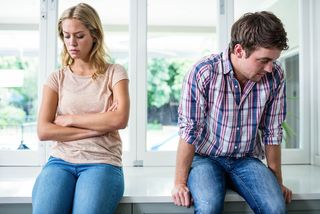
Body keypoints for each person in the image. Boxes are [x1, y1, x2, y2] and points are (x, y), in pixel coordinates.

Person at [171, 11, 292, 214]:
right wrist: (179, 182)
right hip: (205, 158)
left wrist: (276, 181)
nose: (270, 68)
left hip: (246, 158)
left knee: (275, 207)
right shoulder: (204, 72)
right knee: (209, 207)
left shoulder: (275, 75)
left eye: (273, 60)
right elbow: (189, 130)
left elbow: (273, 131)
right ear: (239, 50)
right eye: (263, 60)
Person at [32, 3, 129, 214]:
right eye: (66, 36)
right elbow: (44, 131)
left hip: (102, 162)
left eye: (79, 35)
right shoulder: (57, 78)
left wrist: (70, 118)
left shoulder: (115, 73)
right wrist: (98, 127)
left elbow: (120, 119)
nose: (71, 43)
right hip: (60, 162)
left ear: (94, 35)